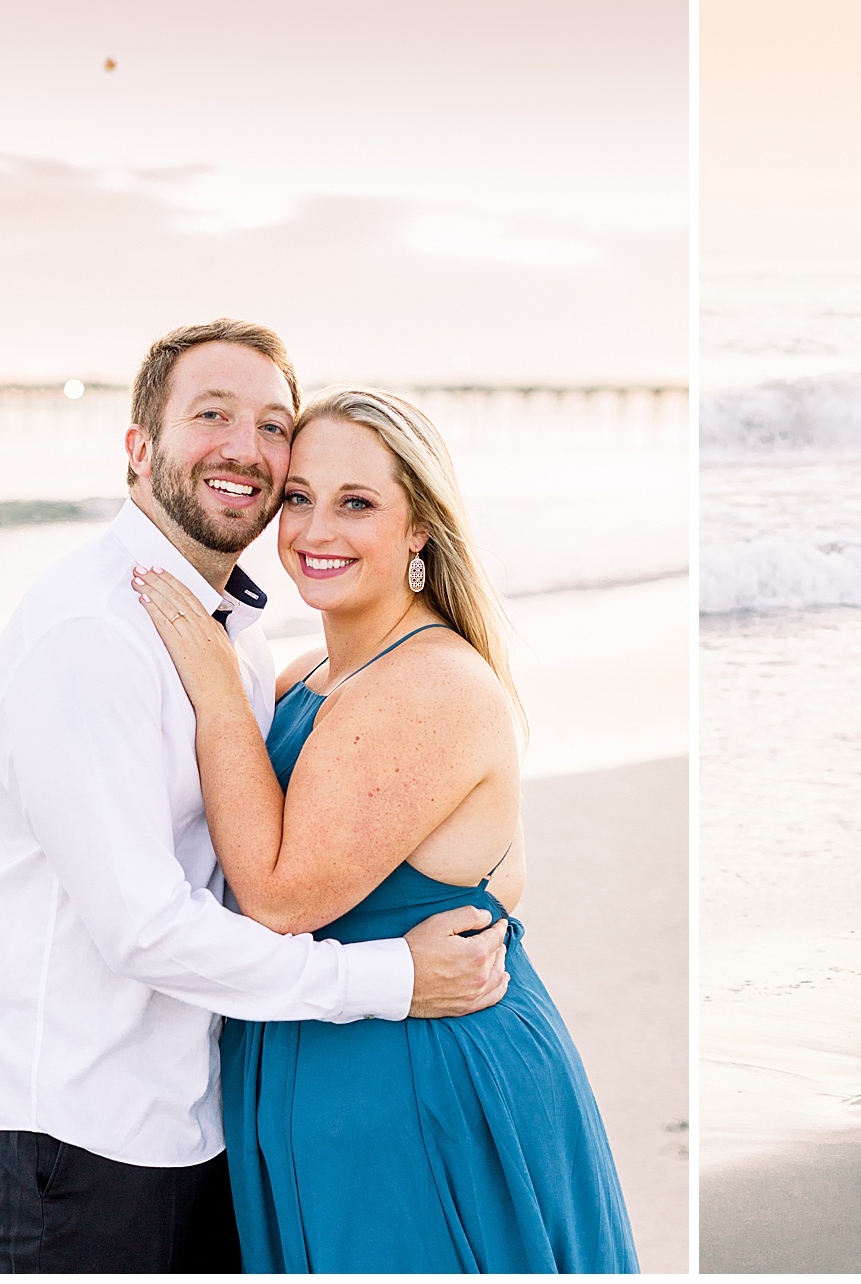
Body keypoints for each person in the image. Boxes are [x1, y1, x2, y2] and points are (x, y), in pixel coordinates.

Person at [0, 320, 510, 1274]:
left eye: (272, 425)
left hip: (204, 1111)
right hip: (85, 1130)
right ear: (138, 449)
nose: (246, 449)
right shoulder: (92, 635)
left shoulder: (238, 639)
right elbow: (147, 928)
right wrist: (389, 980)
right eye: (212, 415)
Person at [130, 385, 637, 1272]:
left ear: (419, 531)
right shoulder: (311, 673)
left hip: (414, 1082)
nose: (316, 529)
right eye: (299, 498)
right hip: (321, 1061)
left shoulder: (427, 684)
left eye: (357, 503)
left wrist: (217, 692)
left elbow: (281, 899)